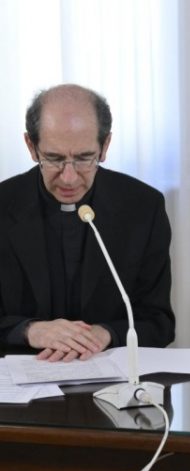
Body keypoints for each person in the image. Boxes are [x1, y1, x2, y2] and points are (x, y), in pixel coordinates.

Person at [0, 84, 175, 362]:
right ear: (31, 147)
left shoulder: (143, 208)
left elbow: (159, 322)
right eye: (54, 159)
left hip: (109, 375)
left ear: (105, 146)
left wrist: (106, 334)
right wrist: (29, 330)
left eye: (84, 159)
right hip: (20, 377)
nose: (69, 178)